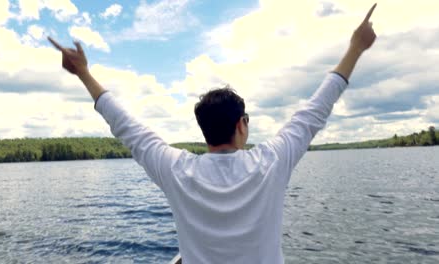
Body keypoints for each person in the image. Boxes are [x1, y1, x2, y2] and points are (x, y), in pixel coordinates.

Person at [49, 3, 377, 263]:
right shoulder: (272, 161)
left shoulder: (177, 169)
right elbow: (315, 110)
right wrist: (355, 49)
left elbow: (125, 125)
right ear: (241, 125)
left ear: (204, 130)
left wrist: (83, 73)